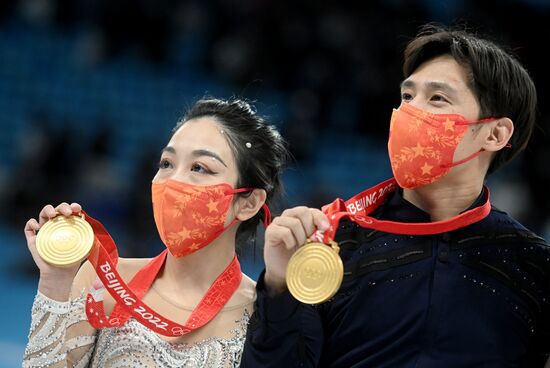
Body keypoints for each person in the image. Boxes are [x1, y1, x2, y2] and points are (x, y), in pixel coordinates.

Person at [240, 25, 550, 367]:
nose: (410, 113)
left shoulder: (532, 266)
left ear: (494, 134)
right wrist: (280, 287)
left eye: (437, 98)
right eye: (407, 97)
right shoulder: (332, 243)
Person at [22, 97, 288, 367]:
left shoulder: (260, 317)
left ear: (249, 202)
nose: (173, 181)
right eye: (166, 163)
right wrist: (55, 281)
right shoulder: (103, 283)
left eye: (199, 168)